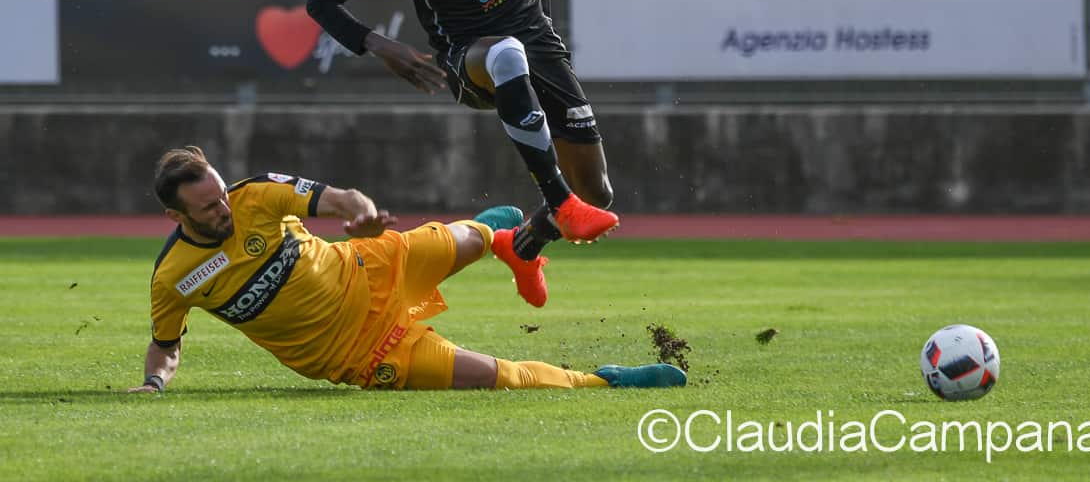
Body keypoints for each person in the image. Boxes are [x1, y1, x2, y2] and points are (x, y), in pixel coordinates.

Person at [306, 0, 755, 308]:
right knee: (506, 55)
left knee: (596, 193)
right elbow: (322, 0)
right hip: (468, 57)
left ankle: (523, 244)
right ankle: (559, 200)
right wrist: (379, 45)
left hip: (538, 41)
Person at [127, 146, 685, 393]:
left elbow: (342, 198)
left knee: (464, 240)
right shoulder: (174, 278)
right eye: (208, 209)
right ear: (176, 217)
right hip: (360, 353)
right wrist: (154, 383)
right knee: (497, 378)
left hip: (369, 266)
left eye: (222, 196)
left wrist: (363, 215)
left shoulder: (254, 195)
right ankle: (605, 380)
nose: (224, 210)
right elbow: (165, 346)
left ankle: (501, 241)